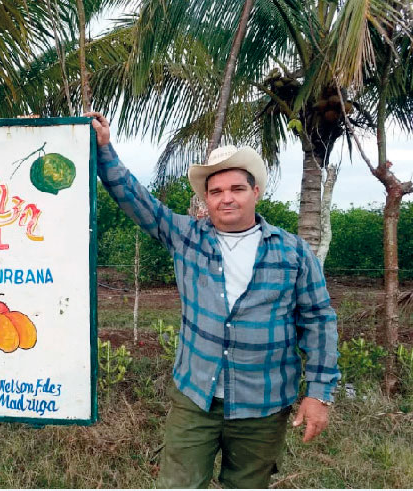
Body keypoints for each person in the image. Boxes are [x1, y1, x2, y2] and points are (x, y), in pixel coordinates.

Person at [85, 112, 340, 489]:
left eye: (236, 189)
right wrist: (104, 149)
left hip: (264, 403)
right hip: (196, 396)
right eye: (216, 191)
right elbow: (136, 200)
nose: (226, 199)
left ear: (256, 192)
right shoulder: (187, 237)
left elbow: (319, 321)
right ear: (206, 199)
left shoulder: (293, 252)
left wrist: (319, 394)